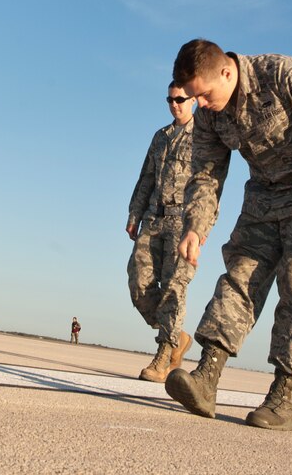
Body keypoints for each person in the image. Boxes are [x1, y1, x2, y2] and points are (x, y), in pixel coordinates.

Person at [164, 39, 292, 431]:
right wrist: (195, 227)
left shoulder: (281, 74)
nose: (198, 105)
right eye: (192, 98)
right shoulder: (208, 113)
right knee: (238, 276)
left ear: (226, 72)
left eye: (202, 95)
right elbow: (205, 172)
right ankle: (206, 378)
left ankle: (282, 400)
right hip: (263, 195)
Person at [126, 82, 198, 383]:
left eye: (180, 99)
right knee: (139, 284)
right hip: (154, 218)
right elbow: (146, 177)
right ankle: (177, 335)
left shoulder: (205, 138)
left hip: (182, 223)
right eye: (170, 99)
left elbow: (211, 187)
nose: (174, 105)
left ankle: (164, 356)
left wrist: (199, 227)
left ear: (193, 100)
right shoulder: (161, 137)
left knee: (173, 288)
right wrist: (134, 213)